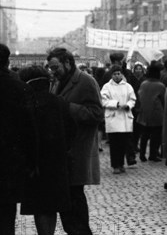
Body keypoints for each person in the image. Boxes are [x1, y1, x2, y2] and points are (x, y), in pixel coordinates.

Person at [47, 47, 103, 235]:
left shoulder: (86, 81)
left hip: (78, 148)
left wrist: (68, 108)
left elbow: (96, 114)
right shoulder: (57, 82)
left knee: (75, 199)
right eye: (50, 68)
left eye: (55, 67)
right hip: (62, 149)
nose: (52, 71)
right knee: (67, 200)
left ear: (68, 63)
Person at [18, 65, 75, 235]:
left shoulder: (26, 103)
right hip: (56, 163)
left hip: (34, 164)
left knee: (39, 206)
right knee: (49, 207)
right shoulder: (60, 103)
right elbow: (72, 130)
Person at [0, 44, 36, 235]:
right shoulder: (20, 87)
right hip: (9, 161)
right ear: (7, 62)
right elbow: (29, 128)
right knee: (6, 214)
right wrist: (31, 161)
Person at [101, 65, 137, 174]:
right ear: (111, 75)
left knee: (123, 143)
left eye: (119, 73)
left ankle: (121, 164)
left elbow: (133, 99)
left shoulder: (128, 86)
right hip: (113, 117)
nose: (117, 76)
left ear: (122, 74)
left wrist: (128, 105)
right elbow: (103, 100)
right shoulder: (107, 87)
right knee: (114, 144)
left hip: (125, 117)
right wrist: (116, 104)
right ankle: (115, 165)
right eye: (115, 74)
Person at [138, 63, 166, 162]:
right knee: (155, 136)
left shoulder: (143, 84)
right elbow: (163, 100)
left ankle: (142, 154)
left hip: (144, 113)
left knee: (144, 136)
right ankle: (153, 155)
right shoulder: (160, 86)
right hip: (157, 114)